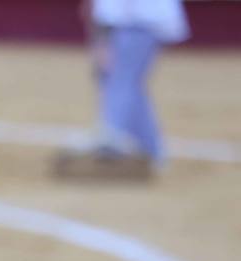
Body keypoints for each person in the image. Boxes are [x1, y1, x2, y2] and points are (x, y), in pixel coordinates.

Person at [54, 0, 189, 177]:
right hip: (128, 21)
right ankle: (150, 150)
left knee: (121, 79)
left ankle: (112, 136)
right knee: (125, 82)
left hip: (134, 21)